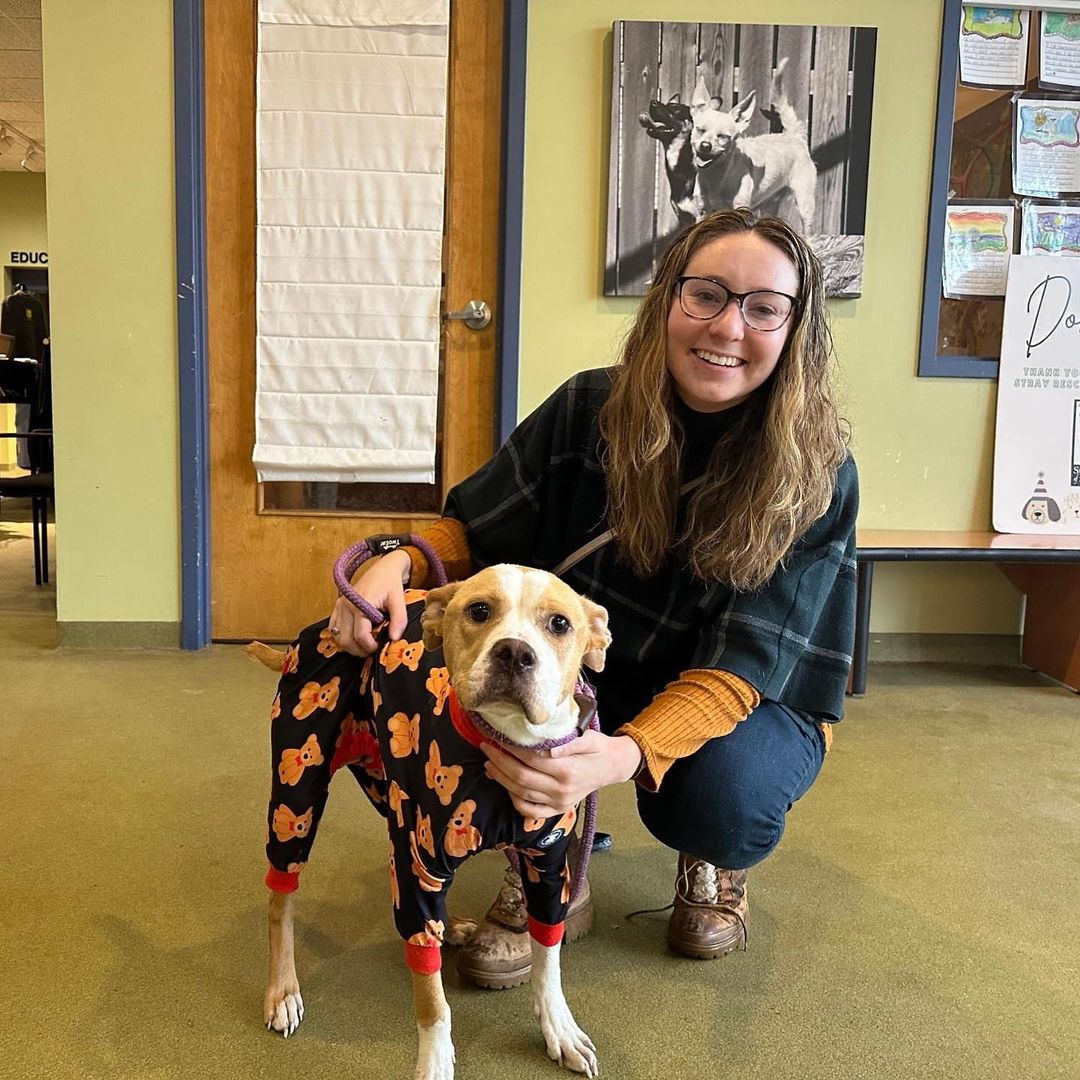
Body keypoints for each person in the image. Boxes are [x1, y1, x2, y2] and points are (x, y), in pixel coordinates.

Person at [328, 208, 858, 987]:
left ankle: (710, 861)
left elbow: (747, 663)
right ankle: (553, 864)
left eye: (763, 307)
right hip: (601, 659)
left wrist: (619, 755)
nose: (728, 326)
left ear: (795, 330)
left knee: (723, 800)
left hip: (749, 694)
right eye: (706, 294)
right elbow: (475, 529)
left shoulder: (819, 471)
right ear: (668, 302)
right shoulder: (589, 408)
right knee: (490, 701)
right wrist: (396, 557)